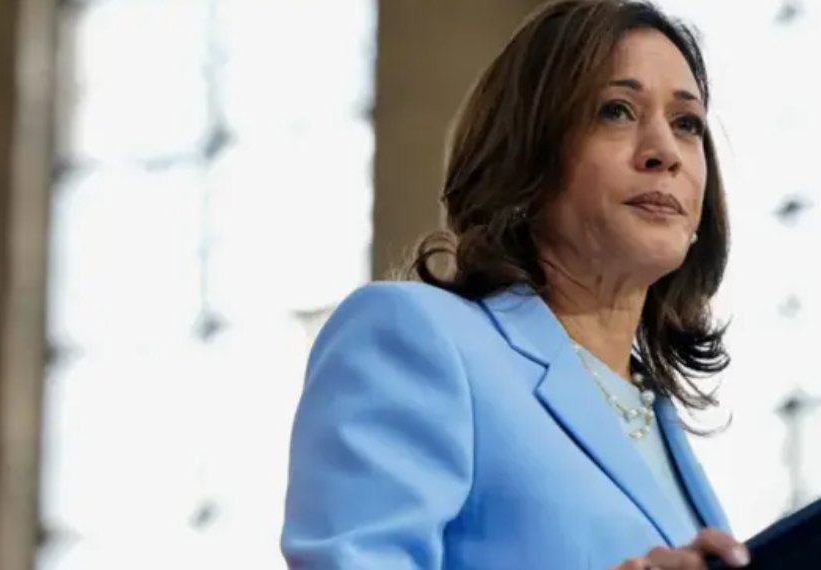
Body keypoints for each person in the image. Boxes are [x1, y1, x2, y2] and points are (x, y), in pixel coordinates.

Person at [281, 1, 748, 568]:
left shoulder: (657, 415)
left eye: (686, 123)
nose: (665, 152)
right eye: (617, 111)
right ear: (528, 152)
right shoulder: (413, 336)